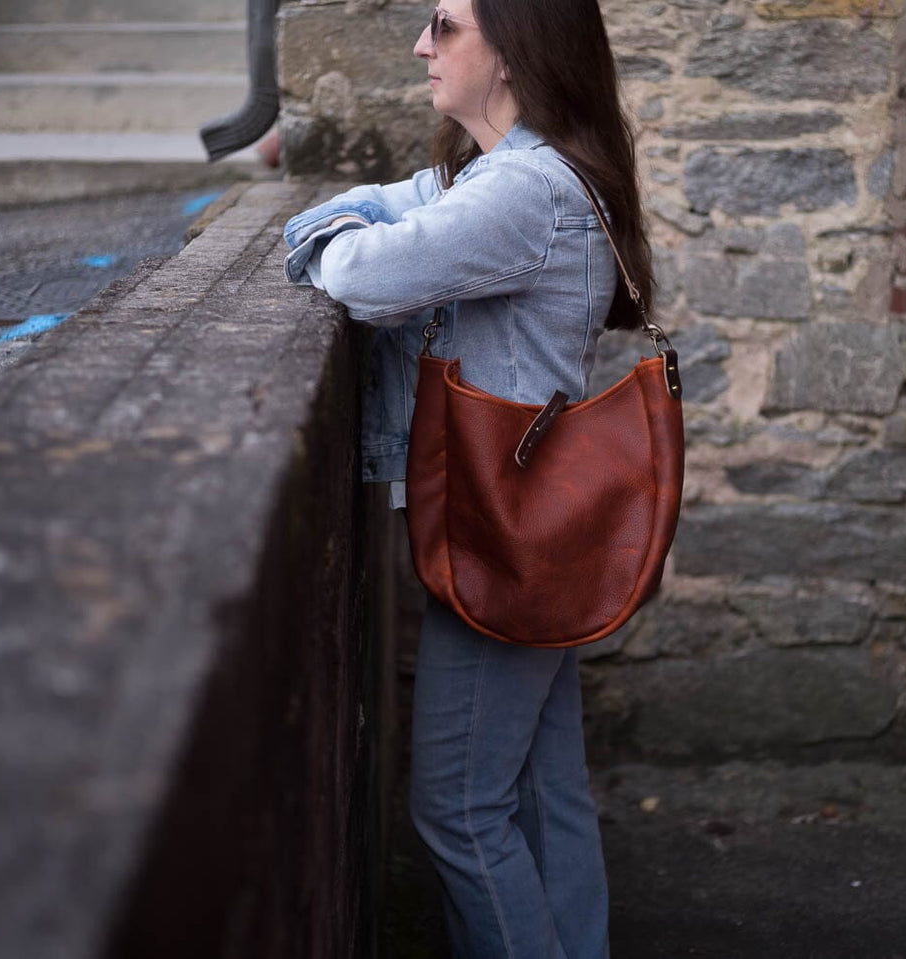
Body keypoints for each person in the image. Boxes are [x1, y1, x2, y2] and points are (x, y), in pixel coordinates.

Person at [282, 1, 652, 955]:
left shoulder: (521, 192)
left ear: (515, 46)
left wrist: (336, 234)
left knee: (456, 807)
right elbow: (395, 203)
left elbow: (361, 270)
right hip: (537, 525)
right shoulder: (507, 177)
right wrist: (364, 215)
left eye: (444, 24)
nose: (420, 45)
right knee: (541, 789)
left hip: (501, 535)